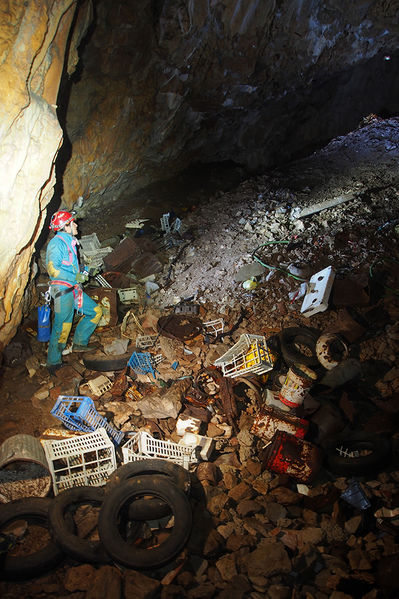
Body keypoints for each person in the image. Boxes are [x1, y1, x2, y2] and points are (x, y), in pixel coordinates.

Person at [46, 209, 102, 375]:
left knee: (95, 311)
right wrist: (76, 276)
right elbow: (53, 270)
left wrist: (86, 270)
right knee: (62, 326)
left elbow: (68, 265)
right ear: (65, 226)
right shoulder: (56, 243)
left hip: (73, 289)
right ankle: (53, 362)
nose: (76, 224)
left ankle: (79, 342)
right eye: (72, 222)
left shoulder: (69, 241)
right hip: (63, 291)